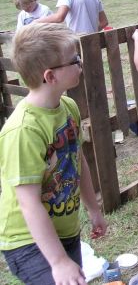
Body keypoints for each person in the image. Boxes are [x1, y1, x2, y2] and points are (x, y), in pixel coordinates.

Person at [0, 23, 107, 285]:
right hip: (26, 239)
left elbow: (77, 160)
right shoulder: (24, 130)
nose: (80, 63)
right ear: (50, 76)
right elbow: (28, 203)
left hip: (64, 229)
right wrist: (58, 261)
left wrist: (93, 209)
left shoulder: (68, 106)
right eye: (74, 60)